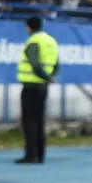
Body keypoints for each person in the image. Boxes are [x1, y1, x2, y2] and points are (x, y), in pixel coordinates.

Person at [16, 17, 59, 164]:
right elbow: (57, 63)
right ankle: (40, 154)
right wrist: (50, 77)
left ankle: (31, 154)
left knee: (29, 121)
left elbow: (34, 63)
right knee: (40, 121)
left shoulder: (33, 41)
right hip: (43, 87)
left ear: (29, 27)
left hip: (31, 85)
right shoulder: (51, 41)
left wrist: (44, 76)